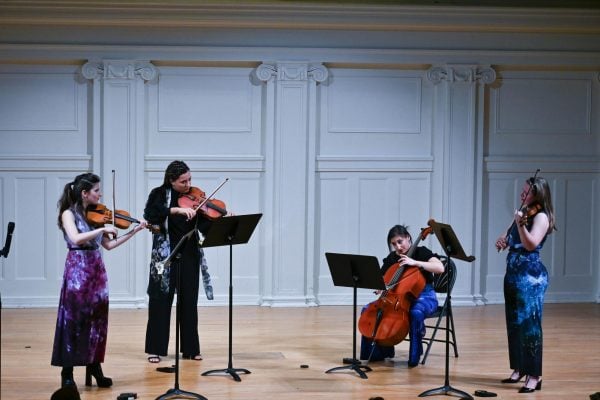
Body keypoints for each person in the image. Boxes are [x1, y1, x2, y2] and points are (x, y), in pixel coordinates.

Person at [51, 173, 147, 391]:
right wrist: (103, 229)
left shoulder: (95, 215)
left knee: (97, 323)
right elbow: (75, 238)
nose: (100, 194)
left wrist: (134, 231)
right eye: (96, 190)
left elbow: (109, 246)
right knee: (74, 321)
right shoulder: (69, 214)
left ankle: (95, 367)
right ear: (85, 193)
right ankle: (67, 373)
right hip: (77, 270)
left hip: (96, 270)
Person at [144, 160, 215, 363]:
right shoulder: (159, 194)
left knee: (189, 302)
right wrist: (175, 210)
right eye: (183, 181)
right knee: (160, 301)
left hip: (190, 252)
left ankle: (191, 349)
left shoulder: (195, 196)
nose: (188, 184)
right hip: (165, 256)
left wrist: (220, 218)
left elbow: (203, 225)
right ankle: (155, 349)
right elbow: (150, 214)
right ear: (171, 180)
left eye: (190, 179)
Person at [495, 176, 555, 393]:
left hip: (530, 277)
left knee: (530, 327)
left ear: (538, 194)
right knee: (514, 324)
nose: (522, 195)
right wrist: (502, 241)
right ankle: (519, 368)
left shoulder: (541, 217)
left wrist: (520, 224)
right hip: (513, 274)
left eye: (526, 192)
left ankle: (534, 375)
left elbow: (530, 244)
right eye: (522, 191)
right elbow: (508, 237)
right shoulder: (523, 211)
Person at [360, 224, 444, 367]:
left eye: (400, 242)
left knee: (415, 312)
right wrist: (380, 287)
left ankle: (414, 356)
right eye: (394, 244)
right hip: (396, 298)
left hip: (424, 296)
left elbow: (440, 268)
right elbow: (381, 279)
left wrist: (415, 262)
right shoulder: (392, 258)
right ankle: (378, 352)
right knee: (367, 310)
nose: (398, 247)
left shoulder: (421, 252)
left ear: (408, 238)